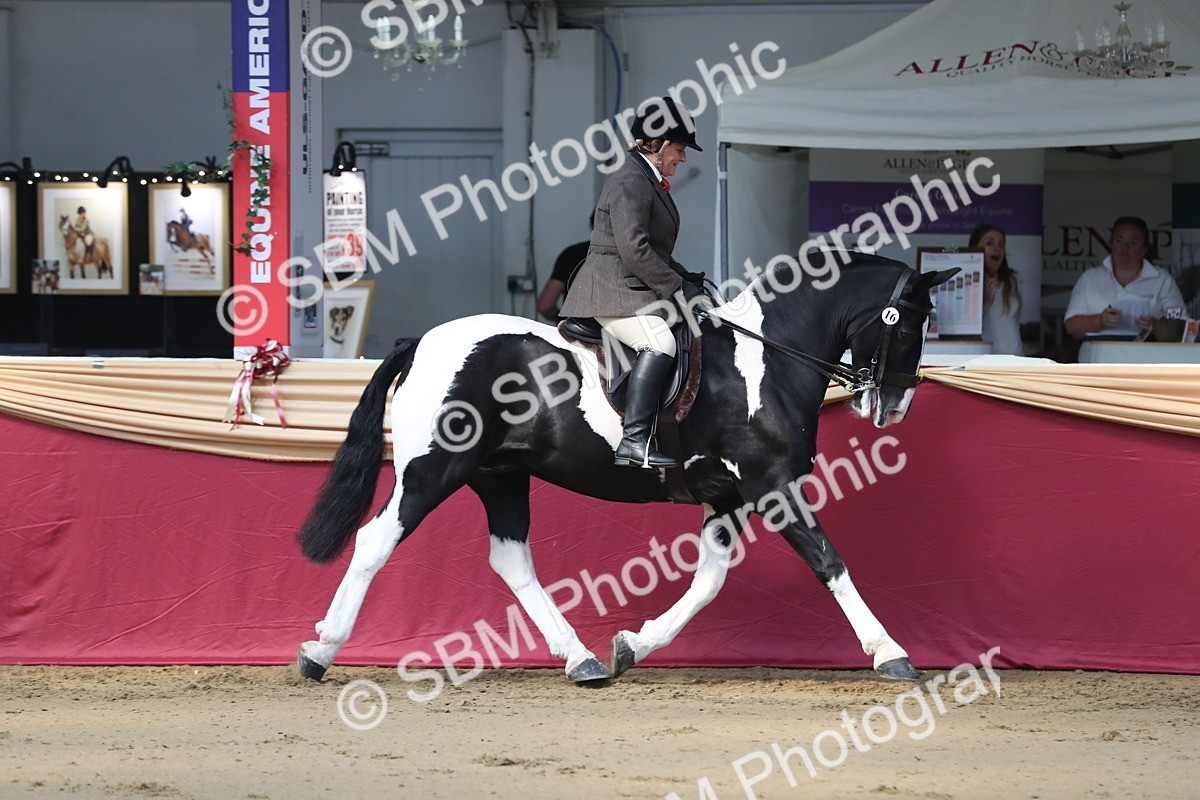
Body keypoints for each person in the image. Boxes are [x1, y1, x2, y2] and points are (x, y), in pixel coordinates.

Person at [558, 96, 702, 469]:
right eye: (679, 148)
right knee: (660, 343)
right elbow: (635, 250)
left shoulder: (646, 180)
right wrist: (675, 288)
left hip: (629, 287)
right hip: (610, 290)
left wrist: (688, 279)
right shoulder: (629, 181)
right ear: (655, 145)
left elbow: (654, 249)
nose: (683, 159)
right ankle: (634, 440)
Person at [1064, 215, 1184, 339]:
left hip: (1147, 357)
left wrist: (1156, 326)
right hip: (1099, 357)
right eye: (1119, 240)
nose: (1125, 248)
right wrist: (1099, 321)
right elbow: (1071, 326)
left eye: (1133, 243)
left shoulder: (1162, 280)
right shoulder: (1090, 278)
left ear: (1144, 249)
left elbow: (1183, 326)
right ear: (1111, 244)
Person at [967, 223, 1022, 355]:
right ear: (976, 248)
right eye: (989, 243)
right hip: (987, 359)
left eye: (1001, 244)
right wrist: (985, 302)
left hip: (1015, 358)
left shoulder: (1012, 280)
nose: (997, 248)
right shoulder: (967, 281)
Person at [536, 214, 592, 321]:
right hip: (617, 333)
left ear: (590, 224)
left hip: (576, 331)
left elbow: (545, 305)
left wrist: (563, 322)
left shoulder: (572, 254)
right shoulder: (628, 256)